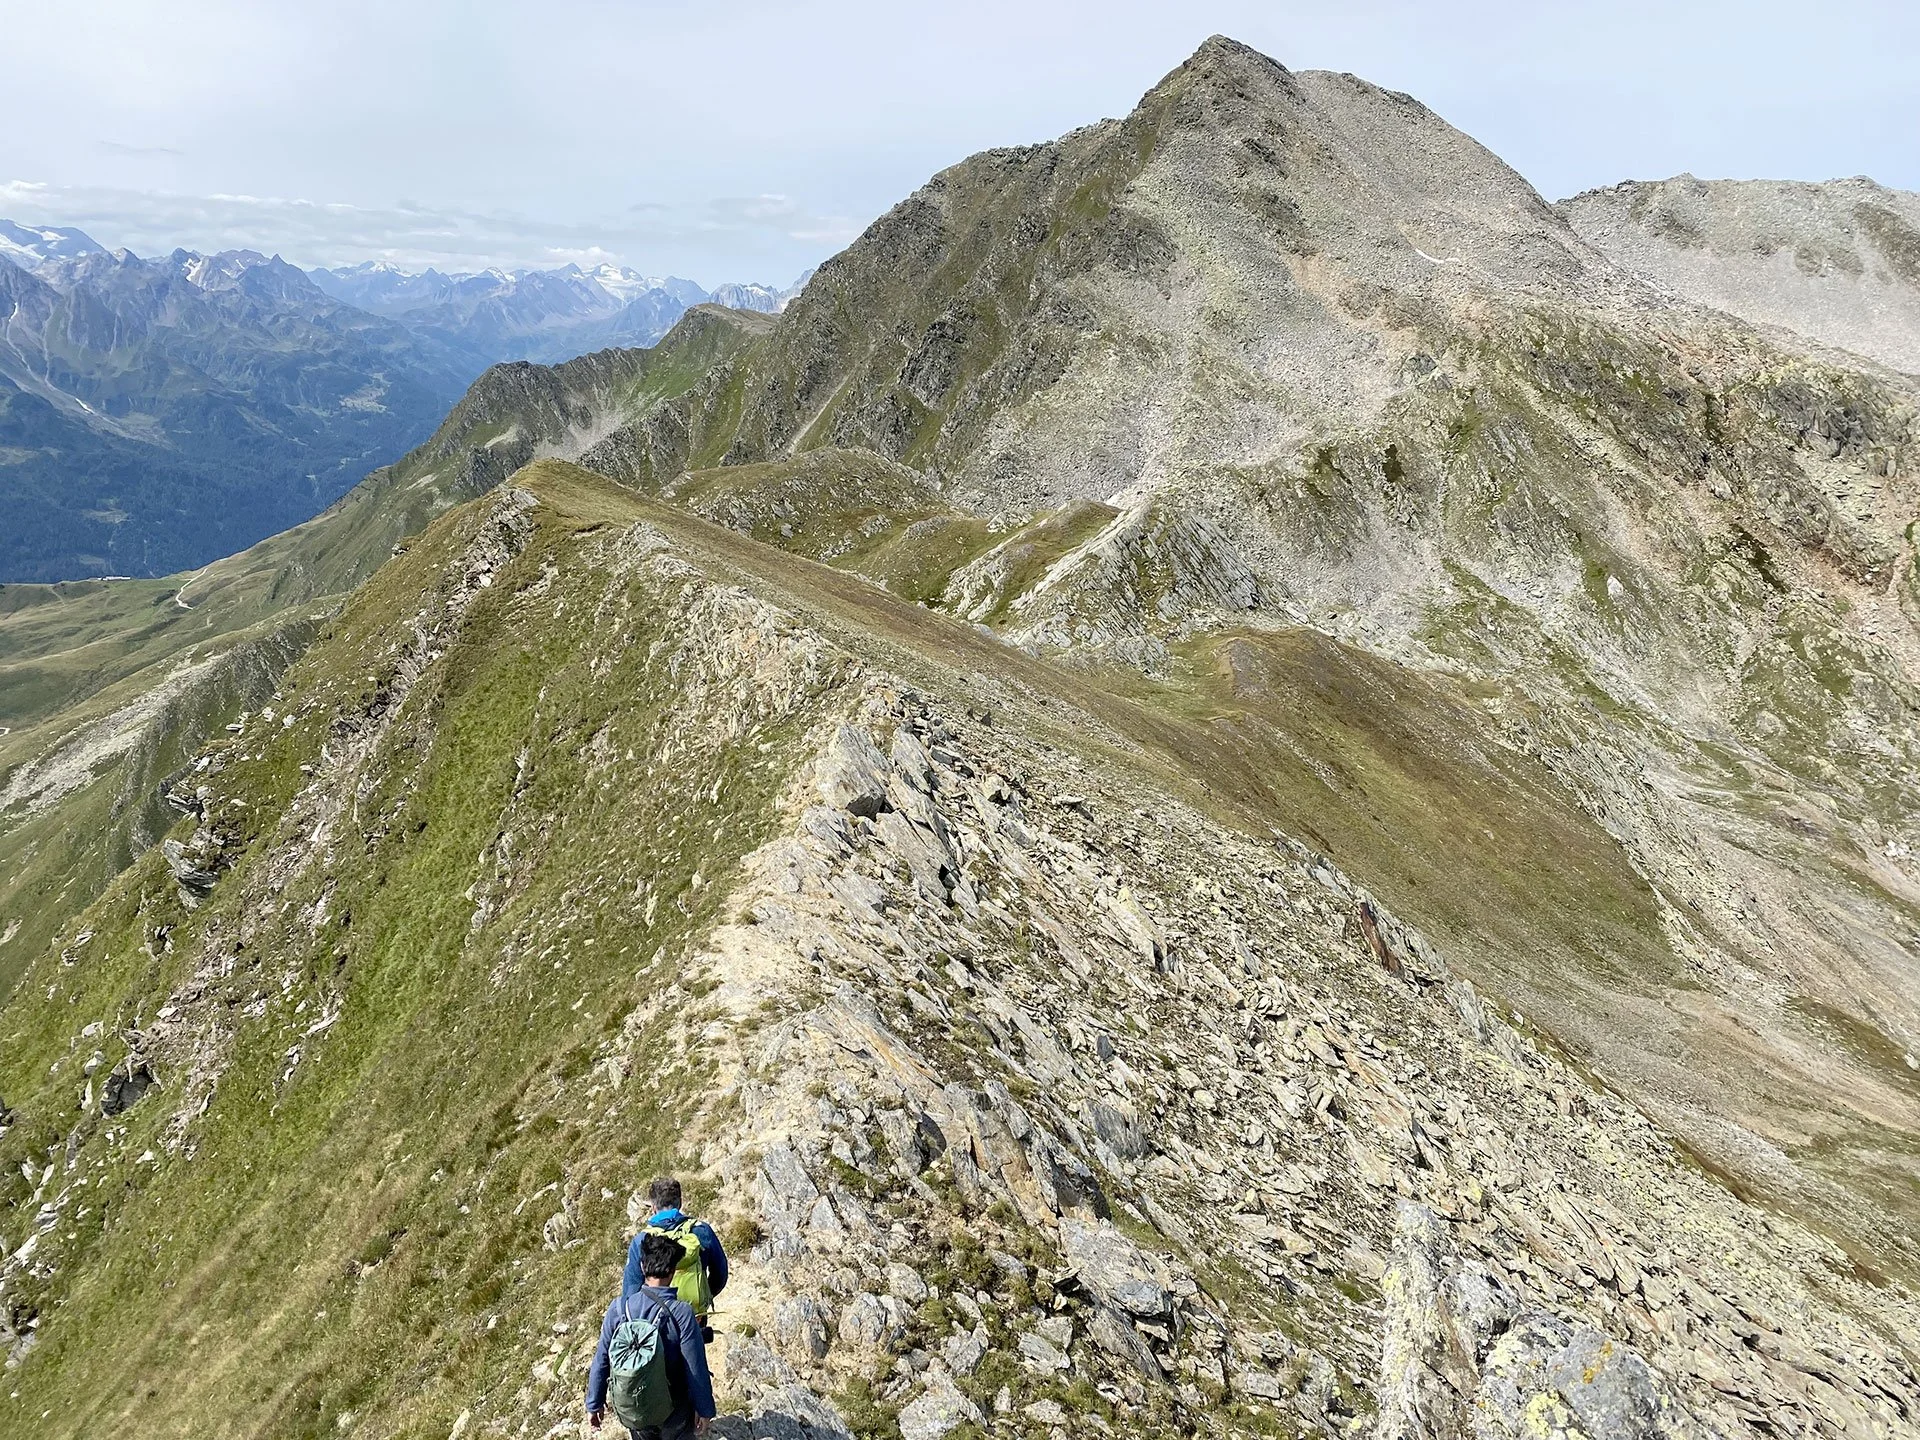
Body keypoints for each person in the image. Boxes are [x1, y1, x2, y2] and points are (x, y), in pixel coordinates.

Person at [587, 1231, 716, 1438]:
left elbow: (602, 1359)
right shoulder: (681, 1313)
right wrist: (705, 1410)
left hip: (636, 1410)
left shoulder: (619, 1309)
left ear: (641, 1267)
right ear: (673, 1271)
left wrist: (594, 1403)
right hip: (675, 1411)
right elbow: (695, 1366)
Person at [623, 1176, 728, 1327]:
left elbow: (631, 1290)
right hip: (694, 1317)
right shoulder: (701, 1230)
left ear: (653, 1206)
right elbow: (721, 1273)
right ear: (680, 1202)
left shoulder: (642, 1240)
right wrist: (704, 1297)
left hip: (655, 1321)